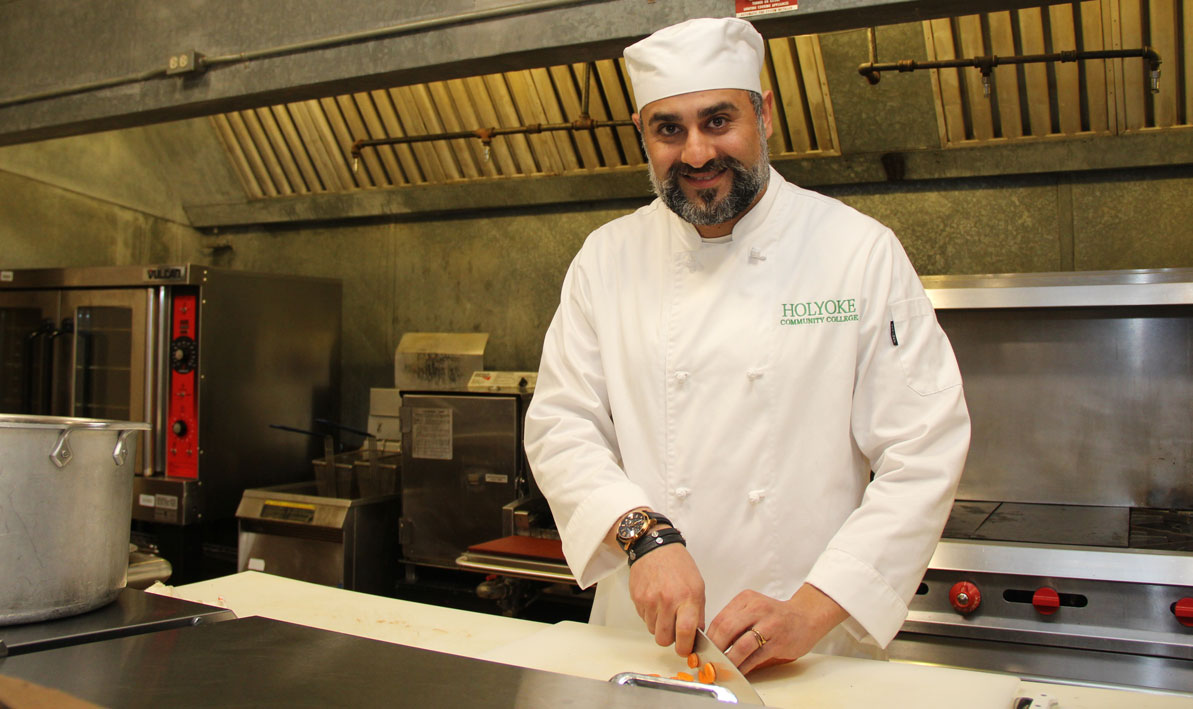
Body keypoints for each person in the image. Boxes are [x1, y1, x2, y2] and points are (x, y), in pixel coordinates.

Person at [523, 16, 969, 673]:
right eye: (668, 129)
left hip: (808, 649)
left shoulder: (855, 251)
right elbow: (562, 427)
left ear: (763, 115)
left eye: (717, 120)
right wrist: (641, 534)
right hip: (643, 641)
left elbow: (922, 447)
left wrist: (814, 608)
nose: (697, 153)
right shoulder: (605, 260)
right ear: (641, 135)